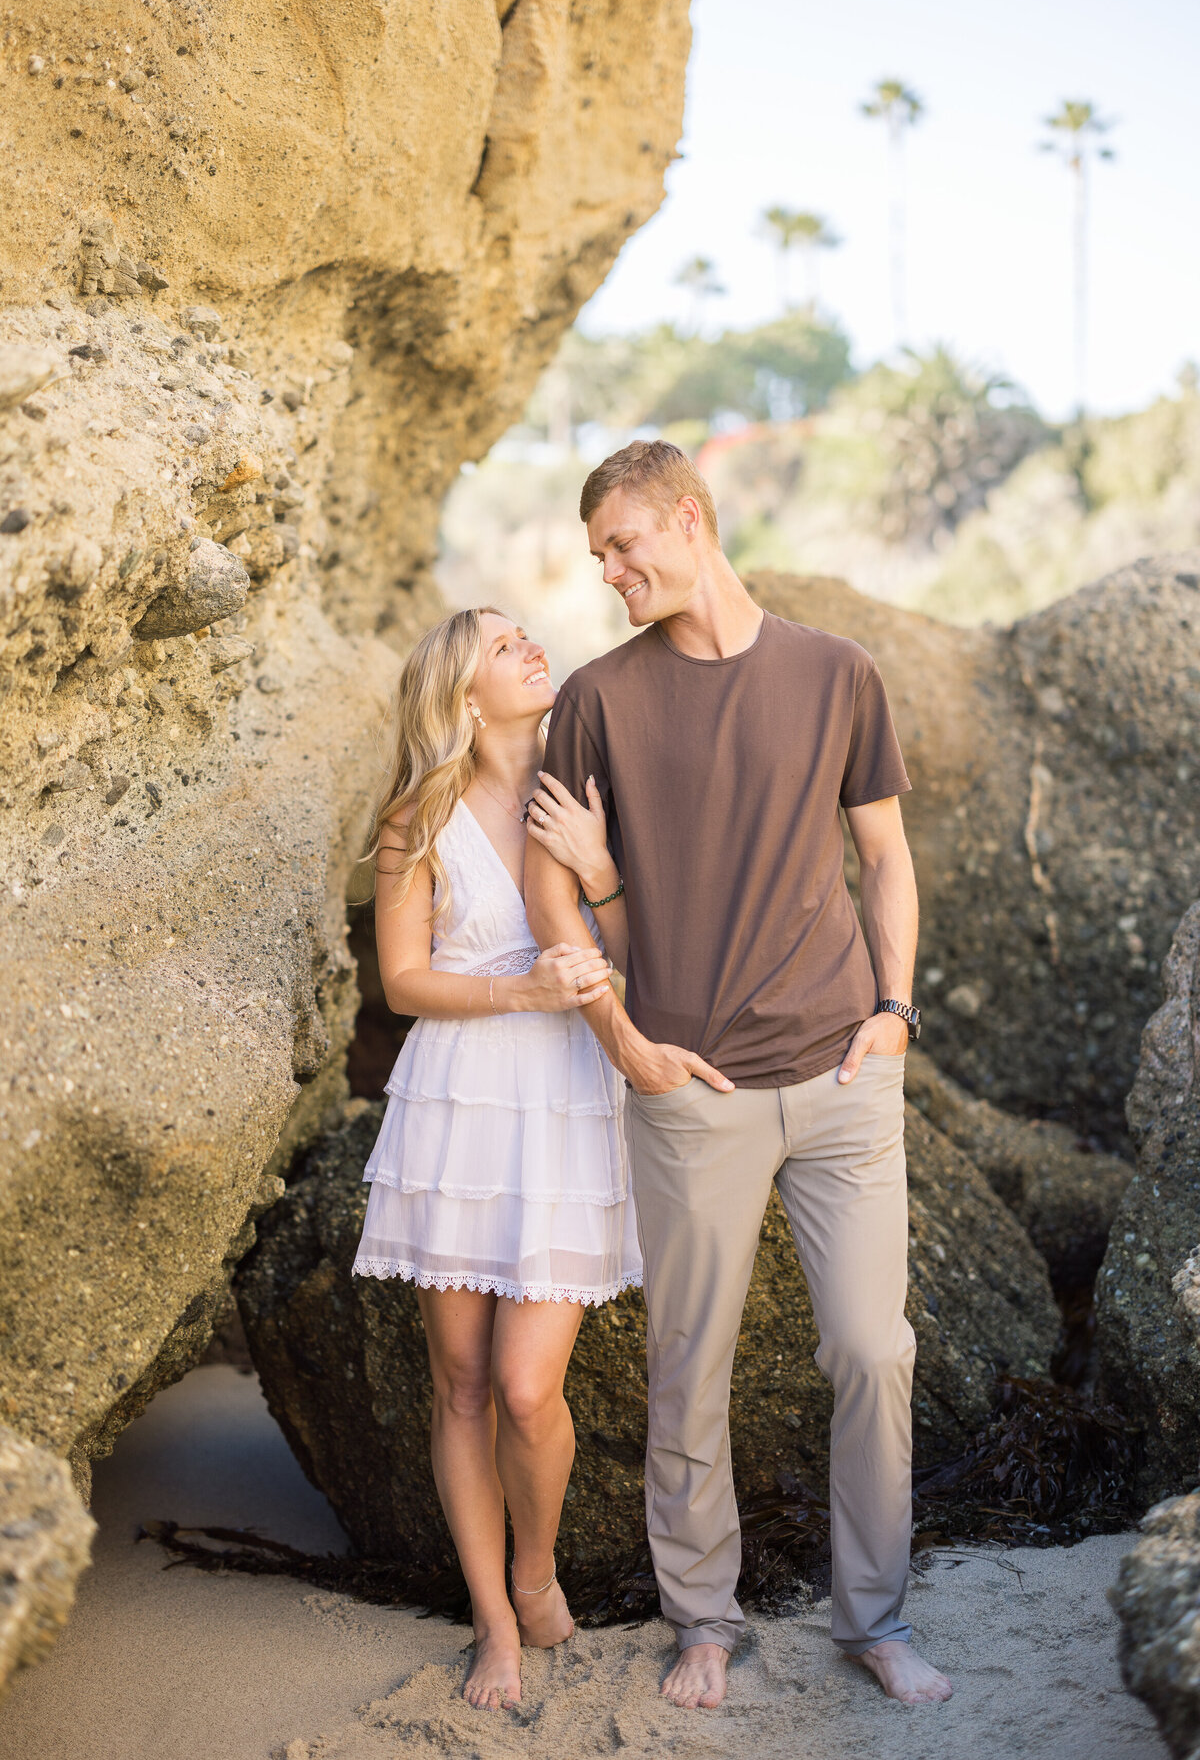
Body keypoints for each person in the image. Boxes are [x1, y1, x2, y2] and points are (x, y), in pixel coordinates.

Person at [524, 439, 953, 1713]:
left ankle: (872, 1617)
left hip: (841, 1074)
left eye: (622, 545)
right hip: (687, 1089)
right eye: (599, 555)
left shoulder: (838, 672)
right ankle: (700, 1618)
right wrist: (625, 1043)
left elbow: (885, 856)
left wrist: (896, 1009)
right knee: (687, 1360)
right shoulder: (595, 697)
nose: (607, 571)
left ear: (690, 520)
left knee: (875, 1349)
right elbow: (557, 893)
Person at [350, 607, 641, 1712]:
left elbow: (643, 929)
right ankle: (493, 1619)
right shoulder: (417, 814)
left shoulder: (589, 786)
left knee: (529, 1387)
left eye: (529, 633)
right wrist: (519, 988)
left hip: (569, 1096)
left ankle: (536, 1565)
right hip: (458, 1100)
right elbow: (403, 980)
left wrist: (603, 865)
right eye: (501, 640)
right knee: (463, 1380)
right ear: (464, 693)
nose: (530, 646)